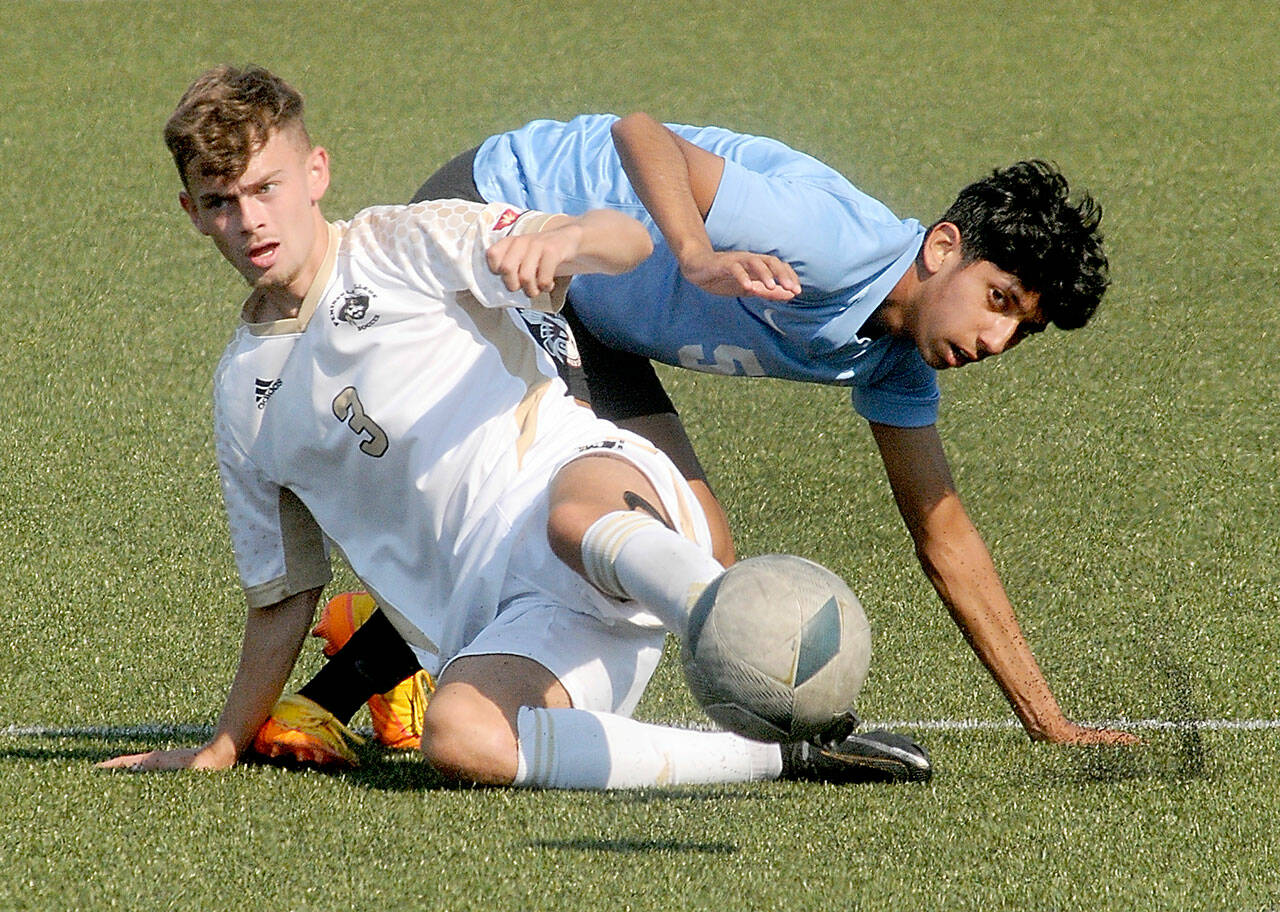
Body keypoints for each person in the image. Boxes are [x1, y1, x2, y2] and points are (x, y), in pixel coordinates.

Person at [99, 66, 931, 787]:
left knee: (570, 516)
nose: (251, 221)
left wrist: (569, 236)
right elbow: (283, 595)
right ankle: (783, 758)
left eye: (266, 187)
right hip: (524, 628)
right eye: (222, 201)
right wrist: (222, 743)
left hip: (591, 485)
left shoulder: (402, 242)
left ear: (315, 172)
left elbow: (624, 239)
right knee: (459, 742)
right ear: (193, 212)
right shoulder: (243, 394)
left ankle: (748, 630)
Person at [258, 111, 1138, 763]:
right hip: (506, 226)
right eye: (1000, 302)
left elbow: (943, 534)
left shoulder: (898, 360)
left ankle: (373, 639)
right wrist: (693, 252)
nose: (995, 342)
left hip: (589, 314)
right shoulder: (833, 245)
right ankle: (331, 697)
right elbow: (642, 134)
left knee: (695, 539)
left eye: (1021, 330)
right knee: (551, 510)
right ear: (944, 248)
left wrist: (1049, 721)